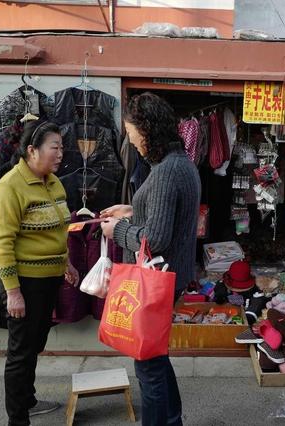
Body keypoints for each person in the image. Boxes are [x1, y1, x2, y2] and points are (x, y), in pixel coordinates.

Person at [100, 92, 200, 426]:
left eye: (132, 134)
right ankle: (173, 420)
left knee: (148, 364)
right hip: (171, 276)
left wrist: (119, 229)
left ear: (148, 131)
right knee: (155, 357)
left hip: (155, 280)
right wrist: (133, 210)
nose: (131, 141)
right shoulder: (177, 163)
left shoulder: (166, 171)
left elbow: (155, 239)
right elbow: (165, 215)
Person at [0, 120, 79, 426]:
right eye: (54, 147)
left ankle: (28, 400)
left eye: (61, 148)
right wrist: (13, 292)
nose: (60, 154)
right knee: (20, 352)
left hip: (50, 279)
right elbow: (1, 243)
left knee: (36, 343)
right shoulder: (9, 187)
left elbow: (58, 229)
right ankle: (18, 420)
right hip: (25, 283)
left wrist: (66, 262)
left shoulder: (53, 181)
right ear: (32, 150)